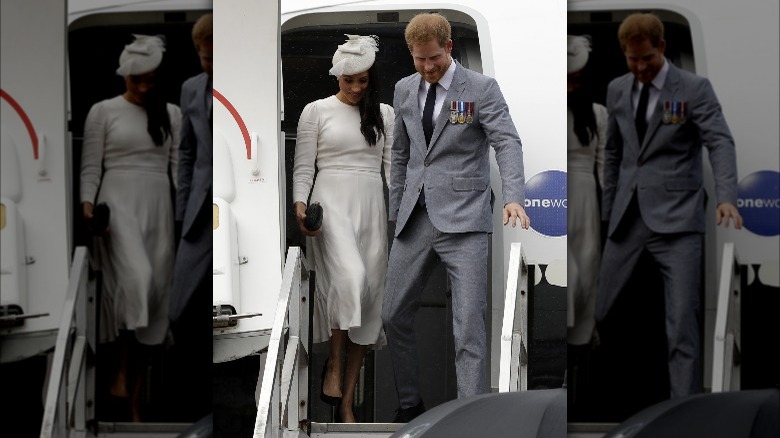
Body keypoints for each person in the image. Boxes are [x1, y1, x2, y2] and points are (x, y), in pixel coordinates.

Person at [381, 12, 529, 423]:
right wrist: (396, 212)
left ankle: (471, 417)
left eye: (434, 59)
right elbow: (400, 155)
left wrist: (514, 196)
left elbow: (507, 142)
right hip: (415, 219)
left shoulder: (481, 88)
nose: (428, 68)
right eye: (419, 60)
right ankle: (410, 404)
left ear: (448, 47)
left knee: (468, 328)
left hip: (465, 222)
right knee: (392, 314)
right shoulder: (404, 89)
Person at [596, 13, 743, 398]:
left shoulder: (693, 88)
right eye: (633, 59)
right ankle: (618, 396)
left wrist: (727, 195)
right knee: (602, 311)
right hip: (627, 218)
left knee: (681, 325)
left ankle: (684, 412)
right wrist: (608, 212)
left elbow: (720, 142)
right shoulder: (617, 89)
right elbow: (613, 155)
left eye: (647, 58)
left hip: (679, 222)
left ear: (661, 47)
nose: (641, 67)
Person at [292, 34, 394, 423]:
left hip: (370, 206)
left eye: (363, 81)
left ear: (371, 79)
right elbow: (304, 166)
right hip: (330, 202)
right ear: (337, 76)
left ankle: (348, 404)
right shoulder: (315, 110)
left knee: (368, 304)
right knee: (349, 280)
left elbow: (391, 170)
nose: (355, 88)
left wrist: (398, 215)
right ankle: (332, 364)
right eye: (349, 80)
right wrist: (301, 208)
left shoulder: (384, 114)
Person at [80, 34, 181, 421]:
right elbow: (91, 165)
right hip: (117, 204)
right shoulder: (102, 111)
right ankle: (119, 374)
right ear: (125, 76)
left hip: (158, 208)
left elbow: (178, 170)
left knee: (156, 300)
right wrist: (88, 207)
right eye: (136, 80)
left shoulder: (171, 114)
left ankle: (133, 395)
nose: (142, 87)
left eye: (150, 79)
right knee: (136, 283)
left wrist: (185, 217)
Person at [168, 13, 212, 421]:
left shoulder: (245, 78)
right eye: (203, 57)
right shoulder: (190, 89)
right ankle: (192, 402)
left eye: (214, 55)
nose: (208, 63)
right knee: (180, 309)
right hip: (199, 210)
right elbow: (186, 153)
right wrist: (182, 214)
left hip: (237, 207)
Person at [567, 34, 607, 348]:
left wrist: (609, 205)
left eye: (575, 79)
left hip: (585, 191)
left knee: (588, 258)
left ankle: (582, 334)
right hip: (554, 189)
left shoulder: (598, 114)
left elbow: (604, 162)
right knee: (567, 269)